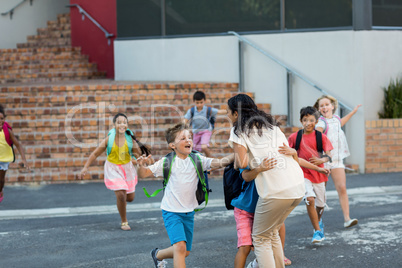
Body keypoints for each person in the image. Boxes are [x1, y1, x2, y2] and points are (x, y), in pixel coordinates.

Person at [137, 123, 234, 268]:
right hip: (171, 211)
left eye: (189, 137)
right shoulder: (167, 162)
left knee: (185, 251)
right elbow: (144, 174)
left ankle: (157, 255)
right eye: (183, 138)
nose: (188, 140)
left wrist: (239, 153)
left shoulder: (198, 159)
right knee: (180, 248)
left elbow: (220, 162)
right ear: (172, 145)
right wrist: (140, 166)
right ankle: (160, 255)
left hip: (189, 212)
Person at [228, 94, 305, 268]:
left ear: (235, 113)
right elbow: (287, 153)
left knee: (261, 238)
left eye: (228, 112)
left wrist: (244, 158)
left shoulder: (238, 130)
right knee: (271, 233)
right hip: (297, 186)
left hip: (275, 190)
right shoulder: (271, 126)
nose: (227, 116)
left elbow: (242, 163)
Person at [79, 113, 151, 231]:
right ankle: (124, 221)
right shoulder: (109, 139)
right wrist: (85, 167)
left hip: (127, 169)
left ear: (127, 125)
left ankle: (121, 199)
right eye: (119, 122)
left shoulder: (130, 139)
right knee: (121, 195)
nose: (122, 125)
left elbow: (138, 156)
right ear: (114, 125)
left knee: (130, 198)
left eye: (124, 122)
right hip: (113, 169)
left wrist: (143, 161)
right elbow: (95, 153)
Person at [314, 95, 361, 228]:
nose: (324, 107)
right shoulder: (321, 122)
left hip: (337, 160)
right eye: (321, 106)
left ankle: (347, 219)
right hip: (324, 161)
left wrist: (353, 112)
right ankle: (317, 224)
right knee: (320, 194)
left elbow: (341, 122)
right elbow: (318, 133)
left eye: (327, 104)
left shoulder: (335, 119)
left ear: (333, 106)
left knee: (342, 188)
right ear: (319, 109)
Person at [288, 106, 333, 243]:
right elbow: (289, 154)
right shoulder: (294, 137)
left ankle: (318, 221)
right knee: (310, 199)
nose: (308, 123)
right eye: (305, 120)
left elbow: (329, 156)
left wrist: (321, 160)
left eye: (312, 120)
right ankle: (317, 232)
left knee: (320, 204)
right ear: (301, 121)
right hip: (303, 174)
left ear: (317, 121)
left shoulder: (321, 137)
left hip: (319, 175)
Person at [0, 105, 30, 203]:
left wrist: (24, 159)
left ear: (4, 118)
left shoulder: (7, 131)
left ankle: (0, 191)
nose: (0, 121)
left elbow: (18, 145)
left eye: (2, 118)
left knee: (1, 179)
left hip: (4, 159)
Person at [183, 91, 227, 157]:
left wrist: (230, 110)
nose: (199, 104)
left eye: (201, 102)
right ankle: (198, 163)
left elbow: (220, 112)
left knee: (204, 147)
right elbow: (185, 119)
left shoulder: (208, 110)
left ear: (204, 101)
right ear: (194, 101)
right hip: (196, 132)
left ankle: (210, 160)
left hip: (206, 131)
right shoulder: (192, 111)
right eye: (197, 103)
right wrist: (184, 125)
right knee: (195, 150)